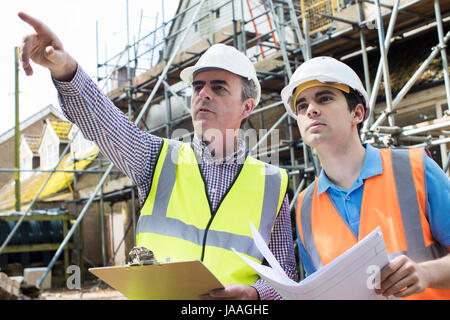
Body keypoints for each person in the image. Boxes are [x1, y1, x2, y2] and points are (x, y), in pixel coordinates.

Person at [18, 12, 298, 300]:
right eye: (198, 86)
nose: (204, 94)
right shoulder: (157, 158)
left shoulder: (272, 184)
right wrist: (66, 70)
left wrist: (254, 295)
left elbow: (285, 275)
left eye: (219, 87)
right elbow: (104, 123)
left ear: (247, 107)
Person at [280, 56, 450, 299]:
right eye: (302, 106)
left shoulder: (414, 168)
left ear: (357, 113)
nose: (311, 110)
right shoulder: (305, 205)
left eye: (325, 98)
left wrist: (426, 273)